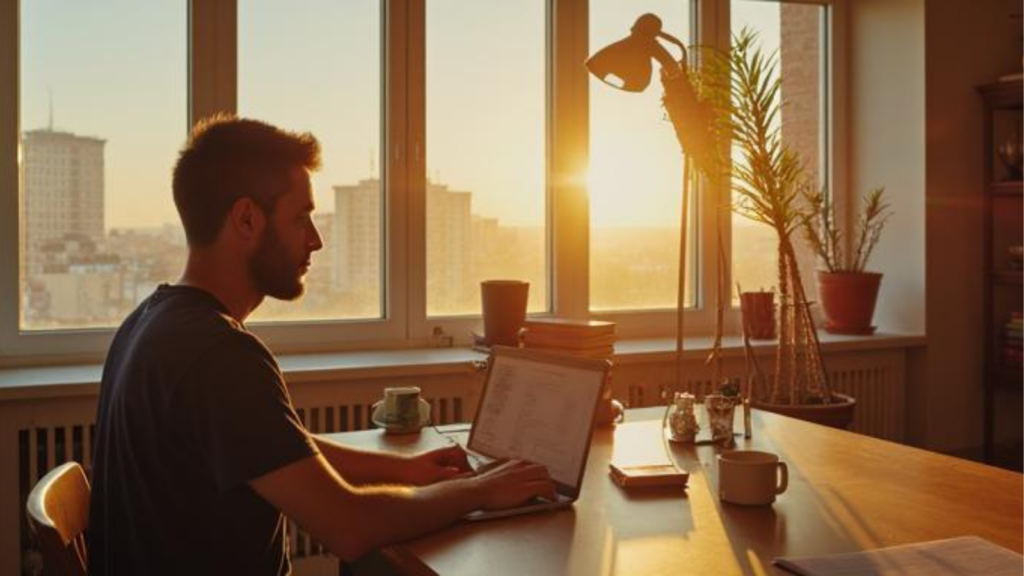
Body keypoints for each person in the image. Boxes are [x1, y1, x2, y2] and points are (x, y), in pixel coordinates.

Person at [87, 115, 555, 575]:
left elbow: (278, 451)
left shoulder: (151, 322)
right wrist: (479, 491)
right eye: (301, 218)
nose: (316, 240)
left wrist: (409, 471)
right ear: (246, 219)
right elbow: (349, 526)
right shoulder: (220, 356)